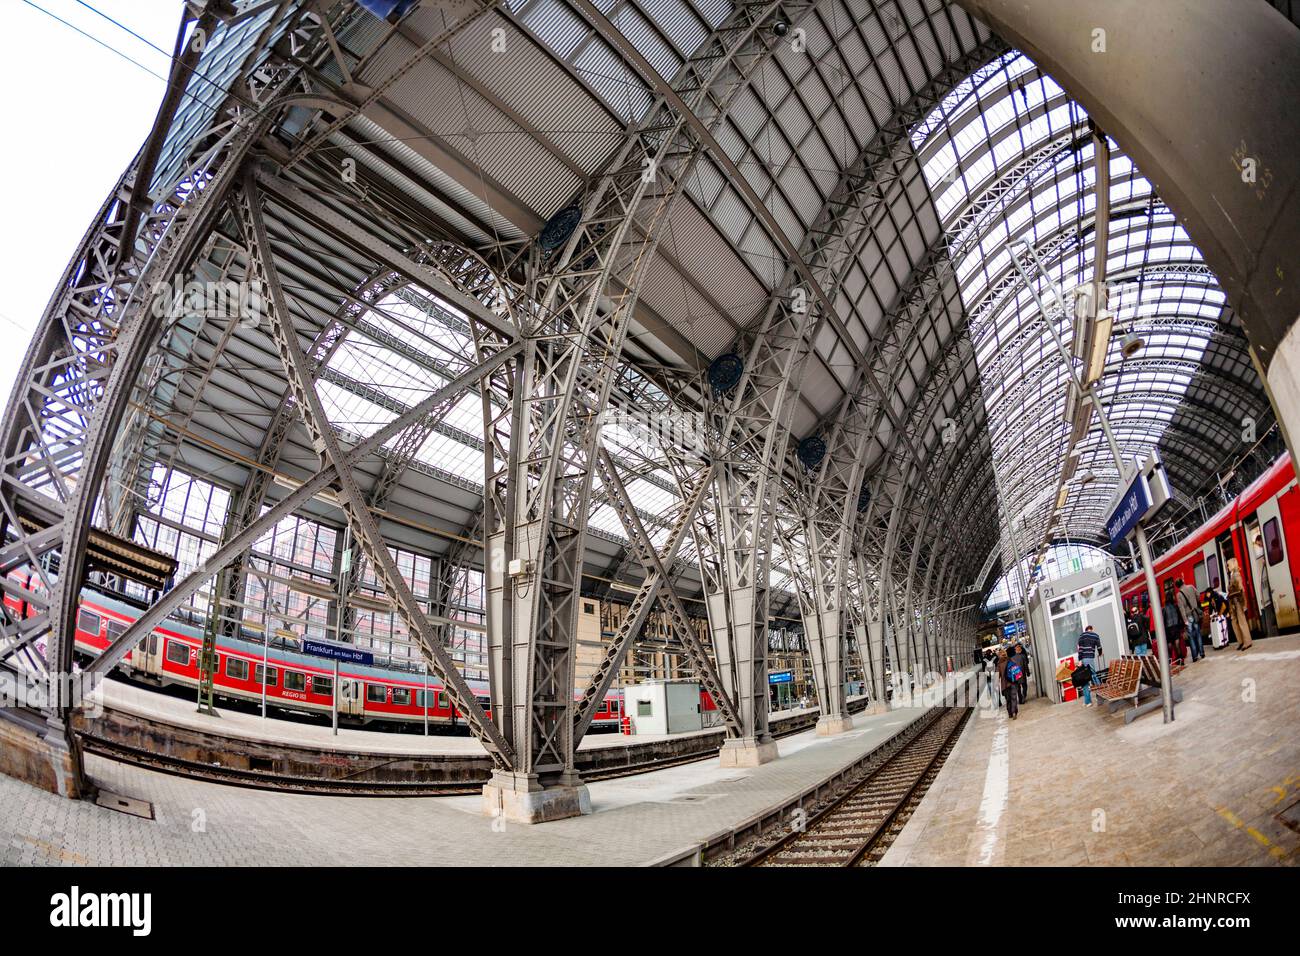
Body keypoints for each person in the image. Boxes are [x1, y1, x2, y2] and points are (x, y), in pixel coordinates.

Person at [1226, 557, 1253, 650]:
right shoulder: (1232, 575)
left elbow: (1241, 589)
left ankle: (1247, 642)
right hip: (1233, 602)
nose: (1227, 567)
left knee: (1242, 622)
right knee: (1234, 622)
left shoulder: (1236, 575)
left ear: (1233, 565)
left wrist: (1244, 604)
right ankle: (1241, 641)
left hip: (1238, 601)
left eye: (1228, 565)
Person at [1176, 576, 1204, 662]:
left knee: (1191, 637)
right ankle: (1202, 653)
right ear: (1183, 581)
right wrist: (1194, 603)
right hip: (1195, 613)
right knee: (1198, 633)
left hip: (1188, 616)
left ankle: (1195, 656)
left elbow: (1181, 609)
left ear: (1177, 586)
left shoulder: (1179, 595)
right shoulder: (1191, 587)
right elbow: (1198, 596)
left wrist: (1185, 620)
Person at [1161, 581, 1186, 664]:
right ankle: (1180, 660)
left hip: (1168, 629)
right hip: (1175, 627)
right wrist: (1181, 626)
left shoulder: (1164, 609)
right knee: (1177, 644)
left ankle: (1171, 660)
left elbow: (1163, 619)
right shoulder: (1175, 606)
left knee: (1169, 645)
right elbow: (1179, 617)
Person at [1075, 624, 1104, 689]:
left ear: (1086, 630)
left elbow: (1080, 649)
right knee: (1093, 674)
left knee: (1086, 676)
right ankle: (1100, 688)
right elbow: (1099, 647)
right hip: (1089, 657)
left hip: (1083, 658)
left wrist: (1080, 660)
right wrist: (1100, 653)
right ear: (1091, 629)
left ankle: (1090, 692)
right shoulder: (1095, 635)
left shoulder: (1081, 636)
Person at [999, 649, 1019, 719]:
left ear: (999, 655)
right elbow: (1016, 669)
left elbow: (997, 676)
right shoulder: (1011, 660)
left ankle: (1010, 713)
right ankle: (1014, 712)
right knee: (1014, 698)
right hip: (1013, 682)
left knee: (1008, 700)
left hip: (1005, 685)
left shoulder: (999, 664)